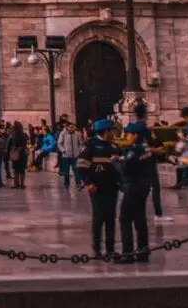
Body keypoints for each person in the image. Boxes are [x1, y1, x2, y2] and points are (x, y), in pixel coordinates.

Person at [78, 119, 121, 258]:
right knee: (99, 217)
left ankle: (110, 249)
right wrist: (89, 183)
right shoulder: (90, 146)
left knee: (111, 218)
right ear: (106, 131)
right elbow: (82, 166)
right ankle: (97, 248)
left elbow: (118, 167)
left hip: (112, 187)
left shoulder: (114, 146)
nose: (114, 133)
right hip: (97, 188)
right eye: (112, 130)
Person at [118, 103, 153, 263]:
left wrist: (116, 163)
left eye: (129, 134)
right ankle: (143, 250)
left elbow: (126, 170)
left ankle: (127, 252)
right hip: (145, 185)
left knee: (125, 218)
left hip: (133, 186)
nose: (126, 136)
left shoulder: (134, 150)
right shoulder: (145, 149)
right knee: (140, 218)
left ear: (134, 135)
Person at [57, 122, 82, 190]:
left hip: (75, 155)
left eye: (73, 127)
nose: (72, 128)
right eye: (71, 127)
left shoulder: (78, 133)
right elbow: (59, 143)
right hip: (66, 156)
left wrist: (79, 150)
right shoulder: (63, 133)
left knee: (76, 170)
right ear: (67, 127)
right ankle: (67, 183)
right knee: (66, 171)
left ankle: (78, 184)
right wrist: (63, 150)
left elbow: (80, 143)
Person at [7, 122, 29, 189]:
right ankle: (22, 184)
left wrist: (8, 153)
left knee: (16, 169)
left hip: (16, 153)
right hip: (23, 154)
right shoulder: (24, 135)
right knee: (22, 169)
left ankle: (16, 184)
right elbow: (26, 143)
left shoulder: (13, 135)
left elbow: (9, 145)